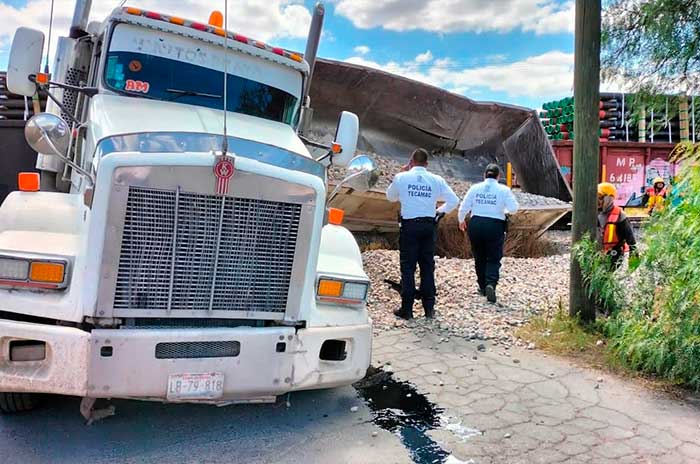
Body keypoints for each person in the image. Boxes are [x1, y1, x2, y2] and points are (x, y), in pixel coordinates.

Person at [386, 148, 459, 319]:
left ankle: (407, 309)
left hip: (409, 226)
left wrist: (401, 173)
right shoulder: (436, 179)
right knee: (427, 267)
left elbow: (390, 197)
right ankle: (429, 309)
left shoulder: (402, 177)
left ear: (411, 162)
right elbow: (454, 200)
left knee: (408, 267)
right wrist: (438, 212)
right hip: (428, 226)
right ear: (427, 164)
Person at [457, 164, 518, 304]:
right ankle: (491, 283)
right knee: (493, 256)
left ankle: (482, 286)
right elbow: (514, 208)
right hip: (495, 225)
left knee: (479, 256)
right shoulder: (504, 190)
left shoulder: (475, 188)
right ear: (498, 176)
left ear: (484, 175)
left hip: (476, 223)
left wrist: (461, 220)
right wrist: (505, 212)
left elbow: (464, 206)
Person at [597, 182, 637, 268]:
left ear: (609, 199)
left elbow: (630, 238)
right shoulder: (594, 213)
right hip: (597, 253)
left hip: (614, 254)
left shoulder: (619, 215)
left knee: (605, 276)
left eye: (600, 198)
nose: (597, 201)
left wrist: (634, 258)